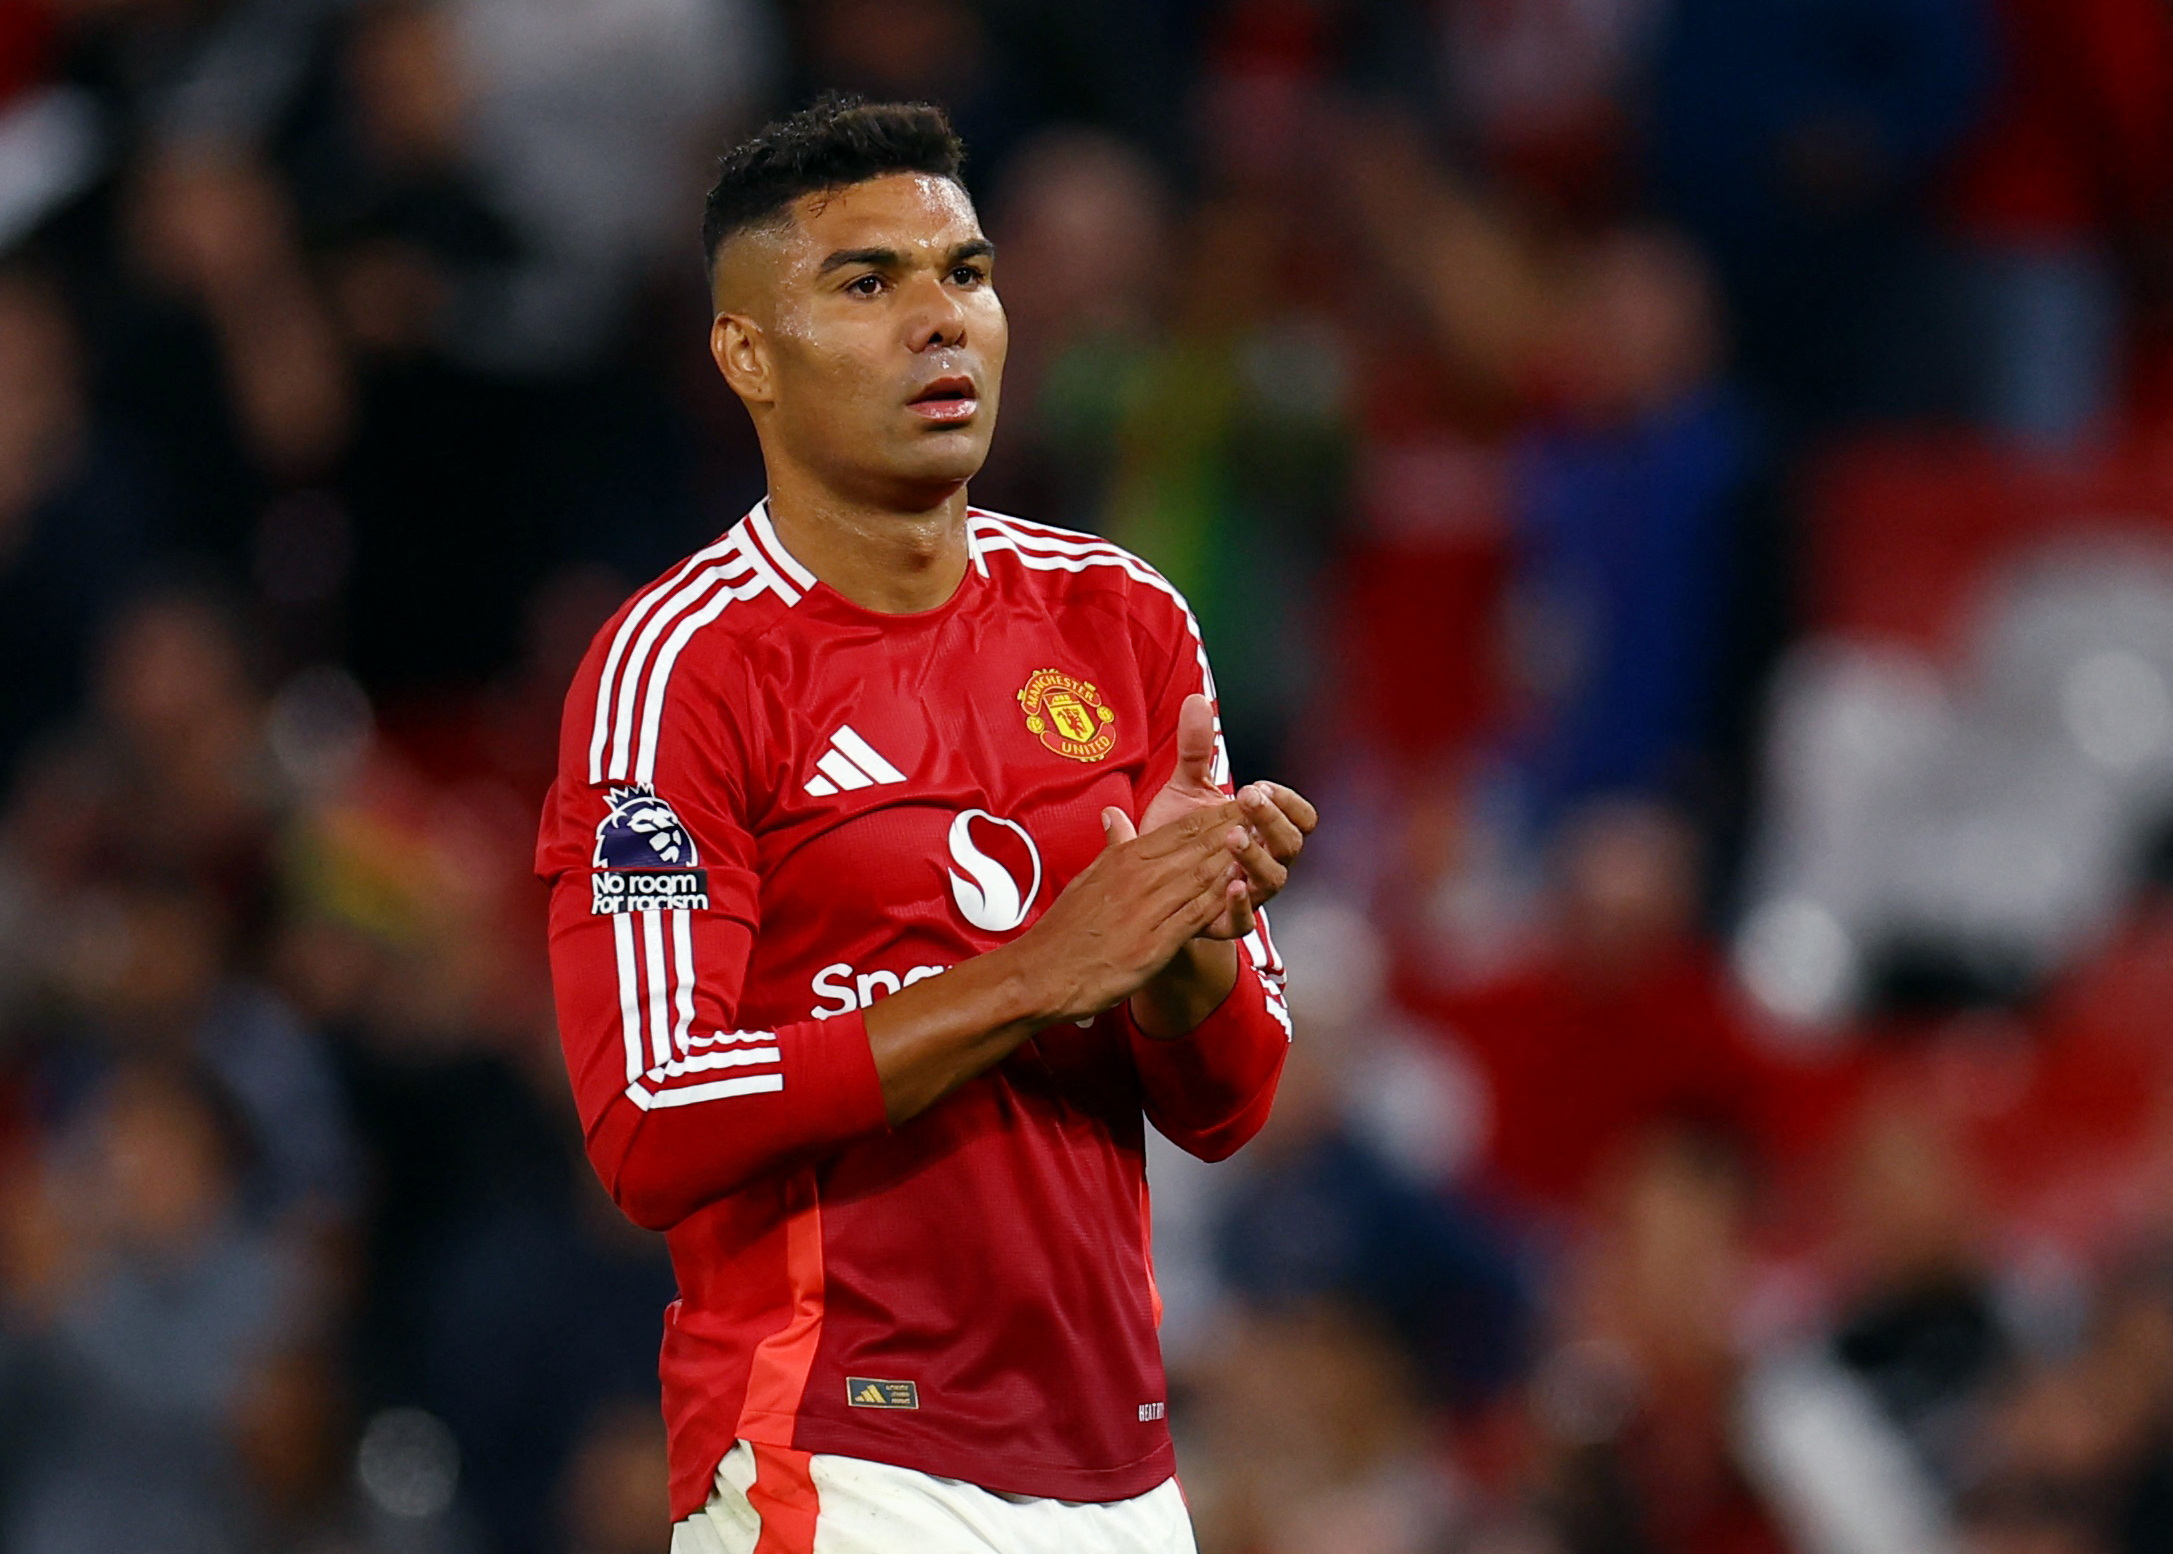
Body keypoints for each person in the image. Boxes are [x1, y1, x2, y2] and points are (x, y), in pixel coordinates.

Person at [535, 96, 1316, 1553]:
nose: (938, 320)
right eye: (866, 282)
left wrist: (1182, 943)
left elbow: (1227, 1101)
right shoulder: (679, 666)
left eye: (963, 272)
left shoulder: (1124, 617)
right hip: (838, 1456)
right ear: (746, 356)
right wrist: (1035, 970)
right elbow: (647, 1118)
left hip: (1121, 1471)